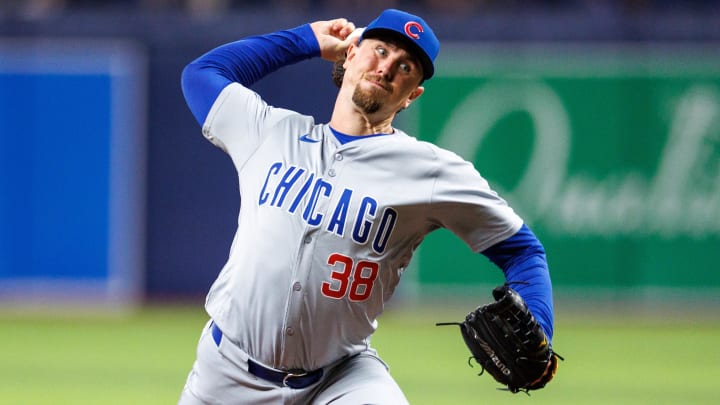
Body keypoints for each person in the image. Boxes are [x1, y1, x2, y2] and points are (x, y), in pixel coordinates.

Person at [178, 8, 555, 404]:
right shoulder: (269, 132)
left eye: (405, 65)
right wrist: (305, 40)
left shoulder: (431, 172)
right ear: (351, 54)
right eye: (380, 50)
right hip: (226, 373)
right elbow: (201, 74)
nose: (388, 66)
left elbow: (522, 250)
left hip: (340, 379)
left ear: (413, 94)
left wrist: (541, 326)